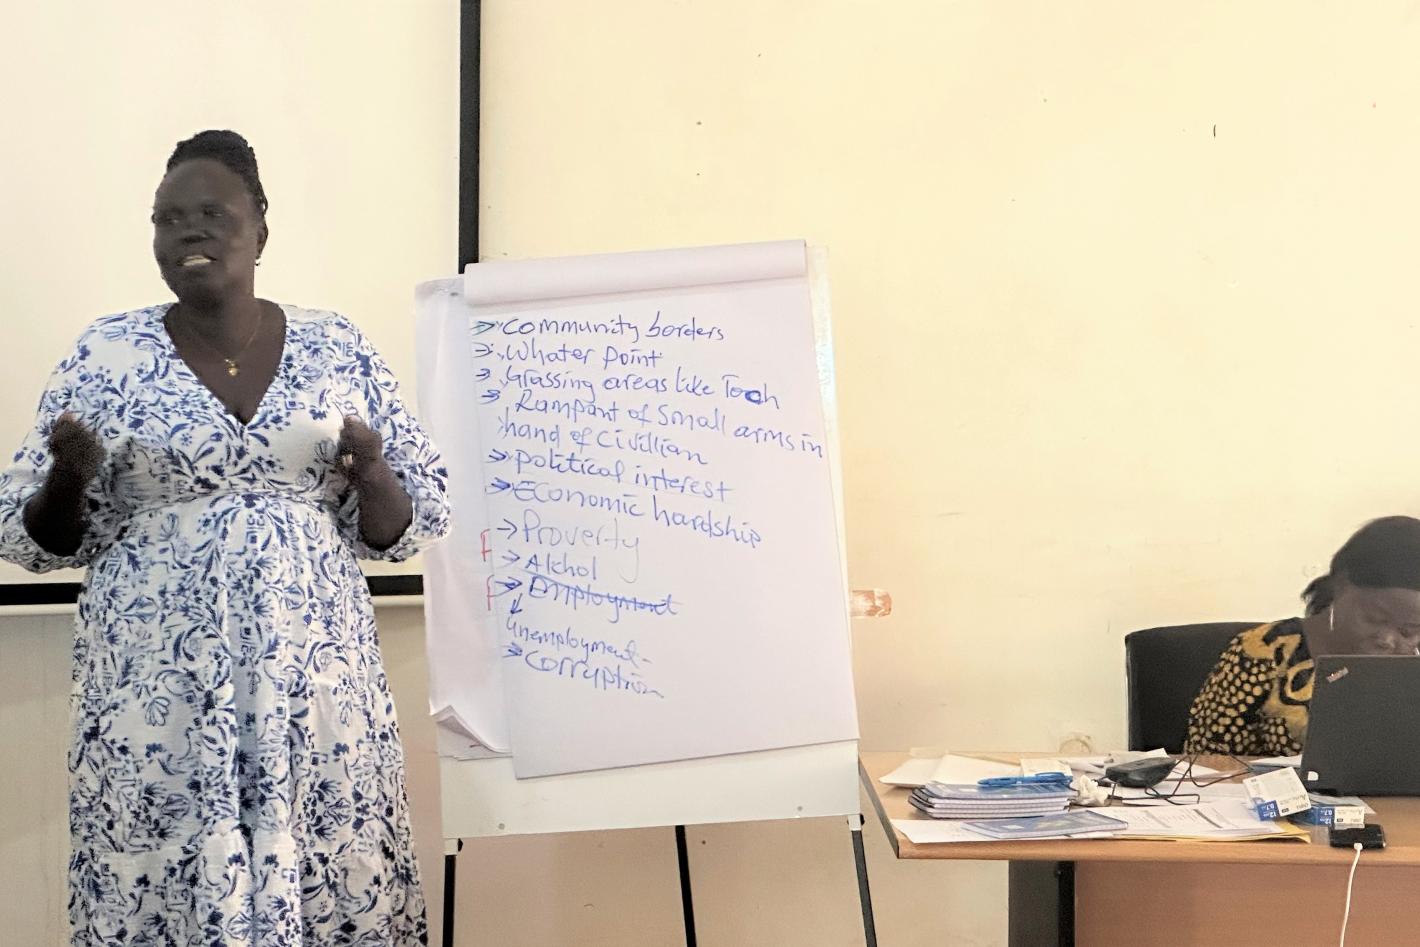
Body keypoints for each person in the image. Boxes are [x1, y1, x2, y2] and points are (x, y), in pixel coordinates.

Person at [0, 130, 450, 945]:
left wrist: (375, 470)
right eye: (168, 219)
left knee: (326, 856)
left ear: (260, 227)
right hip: (157, 687)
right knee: (163, 871)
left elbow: (406, 526)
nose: (189, 232)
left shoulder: (336, 343)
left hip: (311, 677)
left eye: (211, 212)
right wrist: (68, 475)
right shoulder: (106, 351)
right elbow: (38, 540)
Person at [1185, 515, 1420, 756]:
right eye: (1374, 619)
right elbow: (1204, 762)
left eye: (1409, 630)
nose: (1387, 640)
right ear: (1341, 586)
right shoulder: (1261, 653)